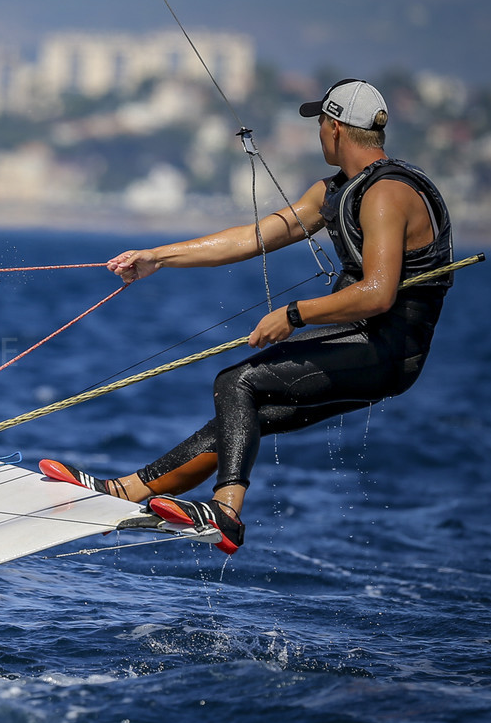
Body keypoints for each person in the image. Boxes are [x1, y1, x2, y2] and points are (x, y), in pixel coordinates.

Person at [39, 79, 452, 553]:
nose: (319, 132)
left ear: (335, 127)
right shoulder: (337, 191)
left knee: (237, 383)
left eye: (320, 122)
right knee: (243, 414)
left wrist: (294, 314)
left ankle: (226, 512)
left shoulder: (386, 194)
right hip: (361, 337)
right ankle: (128, 490)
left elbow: (378, 294)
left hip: (389, 348)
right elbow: (252, 237)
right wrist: (158, 256)